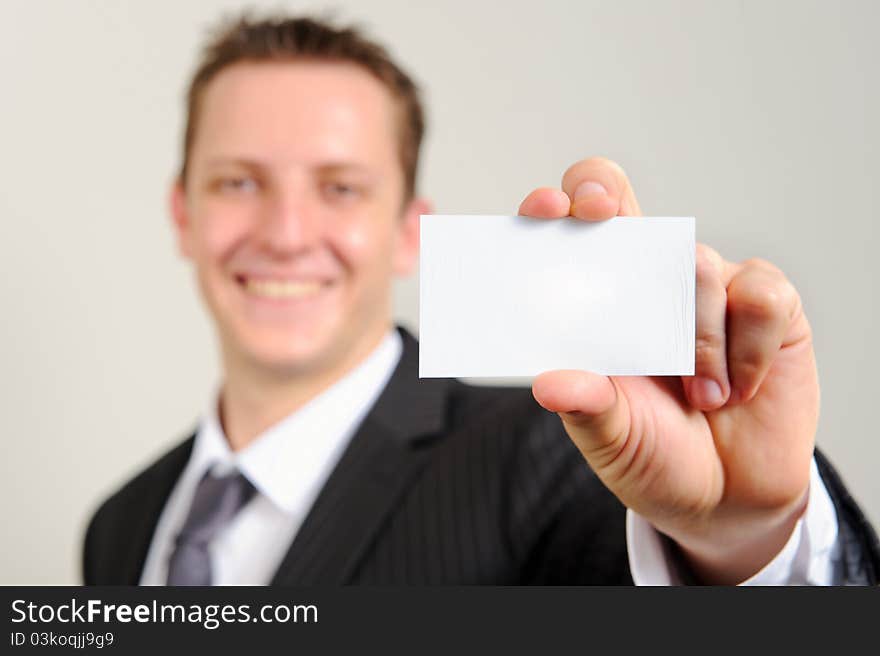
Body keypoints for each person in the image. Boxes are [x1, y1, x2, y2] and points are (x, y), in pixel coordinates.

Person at [83, 14, 878, 585]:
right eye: (239, 182)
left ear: (408, 231)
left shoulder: (555, 462)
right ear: (183, 214)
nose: (287, 233)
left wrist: (746, 544)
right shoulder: (120, 525)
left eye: (341, 187)